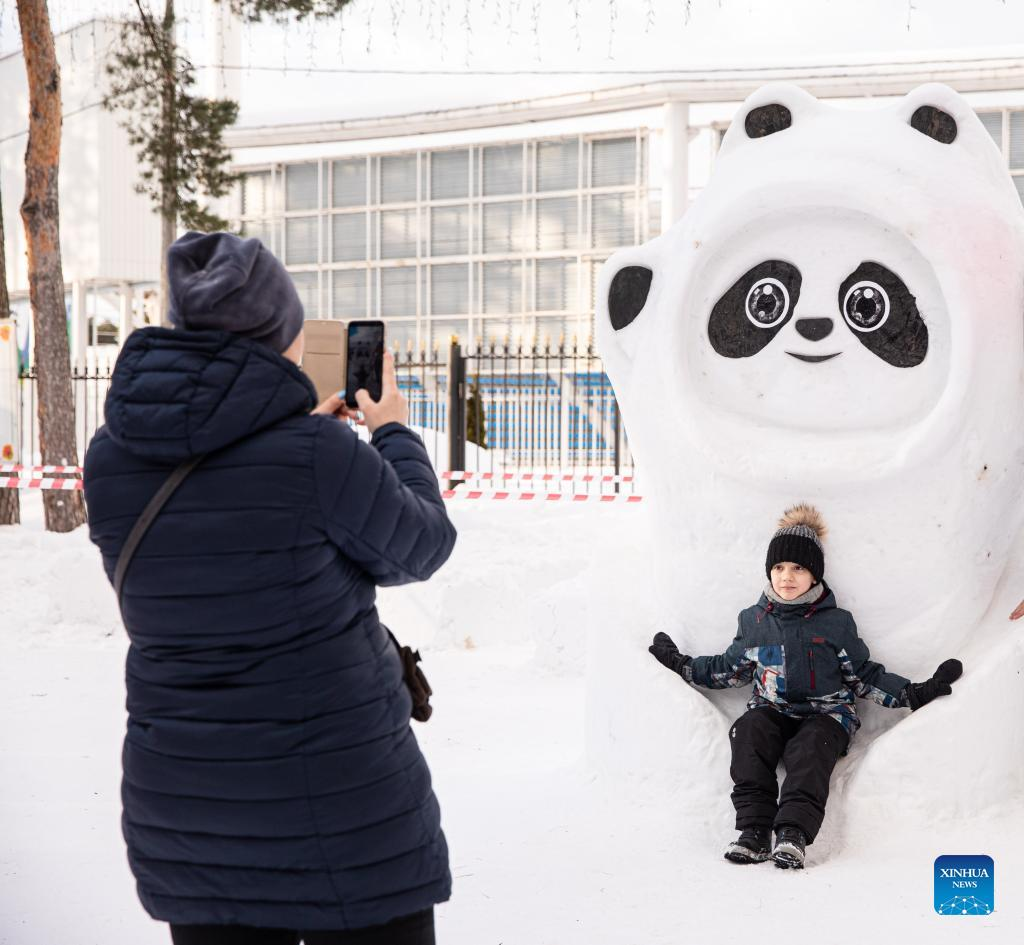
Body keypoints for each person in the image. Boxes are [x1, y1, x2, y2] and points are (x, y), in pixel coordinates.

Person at [83, 231, 457, 944]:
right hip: (345, 822)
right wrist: (393, 433)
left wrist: (295, 438)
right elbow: (422, 544)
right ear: (277, 334)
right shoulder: (317, 458)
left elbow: (210, 560)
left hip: (191, 818)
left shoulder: (111, 458)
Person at [647, 503, 962, 870]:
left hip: (826, 715)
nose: (787, 576)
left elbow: (864, 675)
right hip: (773, 710)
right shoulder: (754, 621)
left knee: (812, 748)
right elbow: (727, 670)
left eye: (798, 567)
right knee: (748, 732)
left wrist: (913, 693)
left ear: (815, 575)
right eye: (779, 567)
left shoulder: (836, 623)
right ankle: (753, 829)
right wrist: (681, 664)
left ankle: (793, 833)